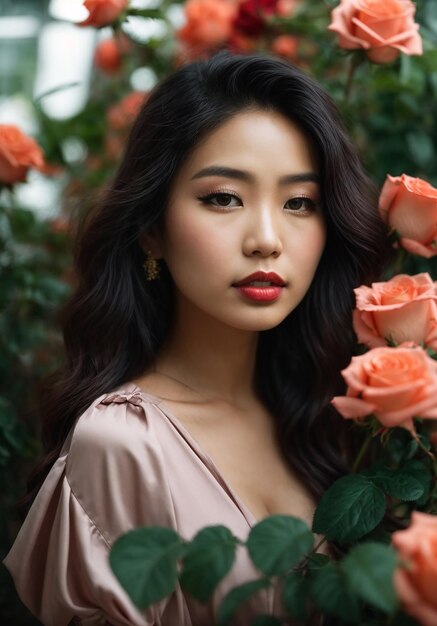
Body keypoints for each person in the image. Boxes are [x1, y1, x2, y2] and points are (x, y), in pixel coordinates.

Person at [3, 51, 388, 625]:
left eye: (299, 203)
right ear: (153, 229)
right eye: (223, 198)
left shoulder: (336, 416)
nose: (266, 239)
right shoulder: (123, 444)